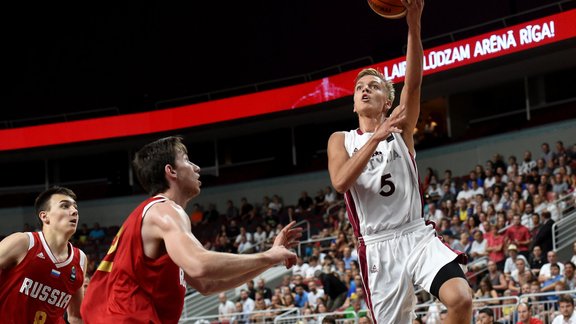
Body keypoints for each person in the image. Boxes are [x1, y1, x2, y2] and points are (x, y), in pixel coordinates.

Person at [326, 0, 472, 322]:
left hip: (416, 234)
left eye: (374, 86)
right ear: (353, 104)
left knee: (460, 299)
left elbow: (415, 81)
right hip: (378, 248)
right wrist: (375, 138)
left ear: (388, 100)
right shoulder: (342, 140)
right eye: (360, 88)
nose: (365, 91)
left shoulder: (400, 128)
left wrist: (414, 25)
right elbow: (340, 182)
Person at [81, 136, 302, 323]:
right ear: (171, 171)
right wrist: (267, 255)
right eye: (186, 160)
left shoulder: (157, 217)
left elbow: (208, 284)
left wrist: (269, 260)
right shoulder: (164, 211)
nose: (196, 167)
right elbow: (200, 265)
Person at [0, 186, 87, 323]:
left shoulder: (80, 258)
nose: (74, 211)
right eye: (65, 206)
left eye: (75, 207)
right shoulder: (23, 242)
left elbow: (76, 316)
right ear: (44, 216)